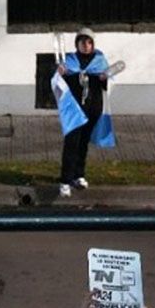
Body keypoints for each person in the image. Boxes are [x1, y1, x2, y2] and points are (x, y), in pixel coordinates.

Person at [56, 27, 110, 196]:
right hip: (74, 110)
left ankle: (78, 175)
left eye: (89, 42)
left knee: (83, 143)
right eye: (82, 42)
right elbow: (59, 83)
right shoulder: (70, 61)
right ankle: (65, 180)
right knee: (71, 143)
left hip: (92, 109)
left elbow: (107, 85)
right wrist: (61, 73)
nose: (86, 46)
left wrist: (104, 79)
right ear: (77, 44)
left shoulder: (100, 61)